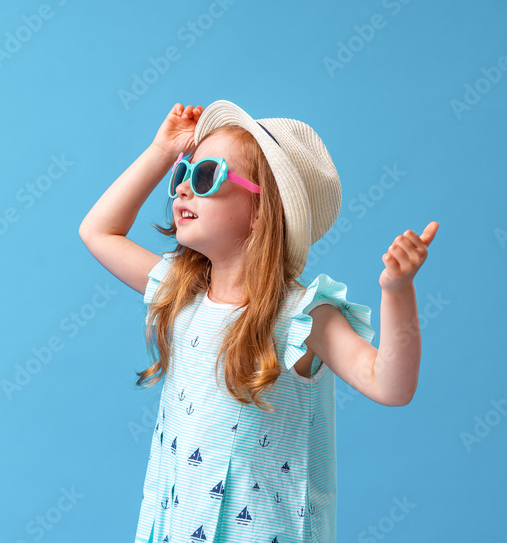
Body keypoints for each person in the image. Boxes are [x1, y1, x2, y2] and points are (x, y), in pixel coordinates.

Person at [78, 100, 438, 542]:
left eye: (205, 176)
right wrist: (161, 152)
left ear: (262, 209)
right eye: (181, 173)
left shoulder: (302, 316)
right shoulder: (182, 293)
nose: (183, 189)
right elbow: (98, 231)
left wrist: (397, 292)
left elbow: (391, 386)